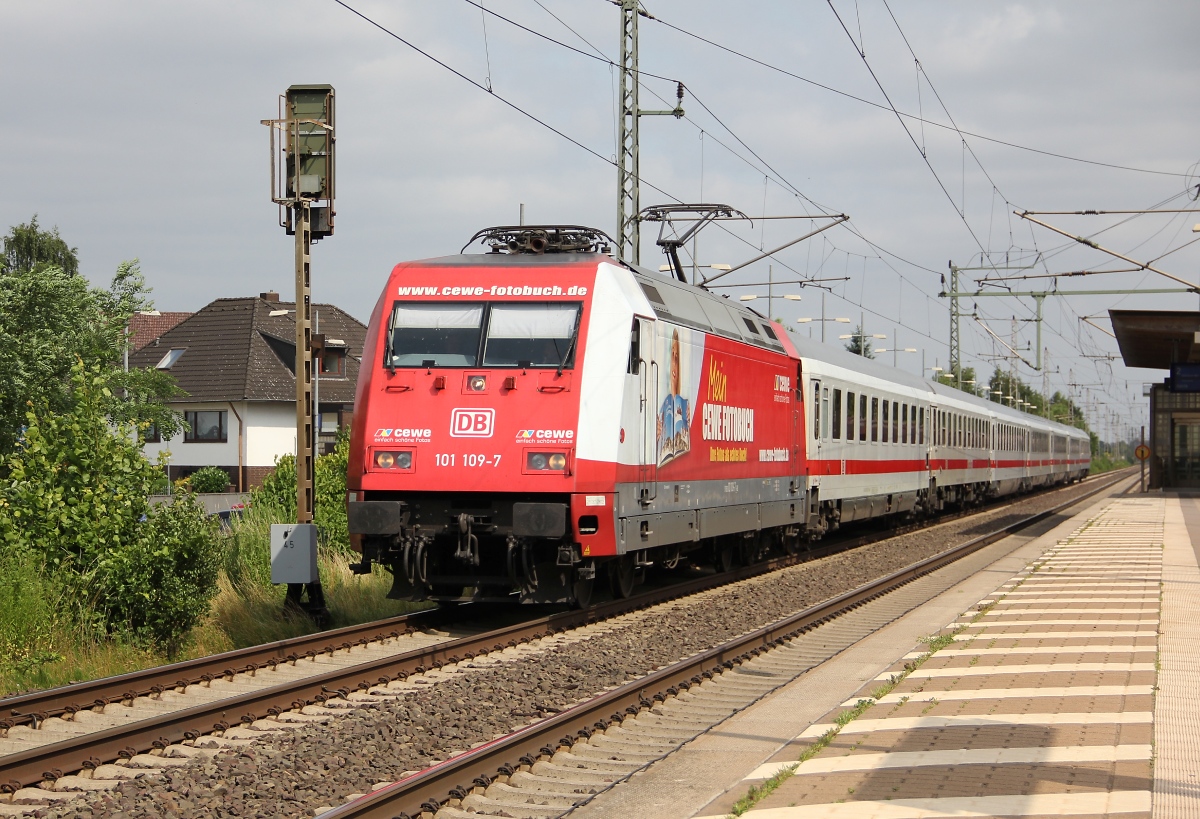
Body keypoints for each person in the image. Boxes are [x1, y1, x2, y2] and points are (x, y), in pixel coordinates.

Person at [657, 328, 691, 466]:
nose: (674, 366)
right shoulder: (660, 408)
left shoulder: (685, 405)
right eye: (672, 356)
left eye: (677, 358)